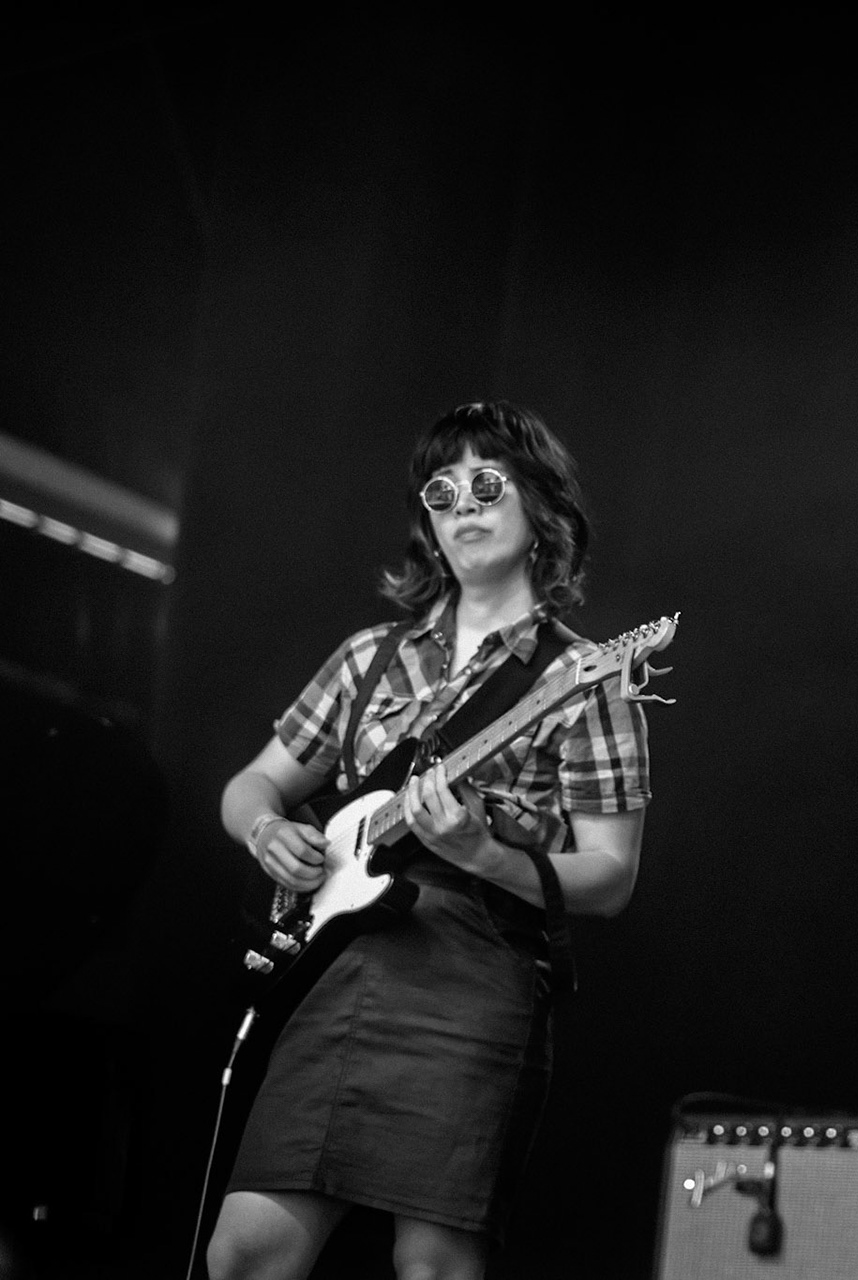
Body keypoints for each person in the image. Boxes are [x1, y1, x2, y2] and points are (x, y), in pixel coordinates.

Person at [206, 402, 650, 1280]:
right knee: (245, 1251)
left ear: (541, 515)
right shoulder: (369, 656)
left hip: (472, 984)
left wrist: (483, 854)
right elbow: (249, 785)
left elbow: (611, 875)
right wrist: (265, 831)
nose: (463, 507)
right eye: (441, 492)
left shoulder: (584, 676)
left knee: (435, 1264)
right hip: (335, 970)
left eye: (489, 485)